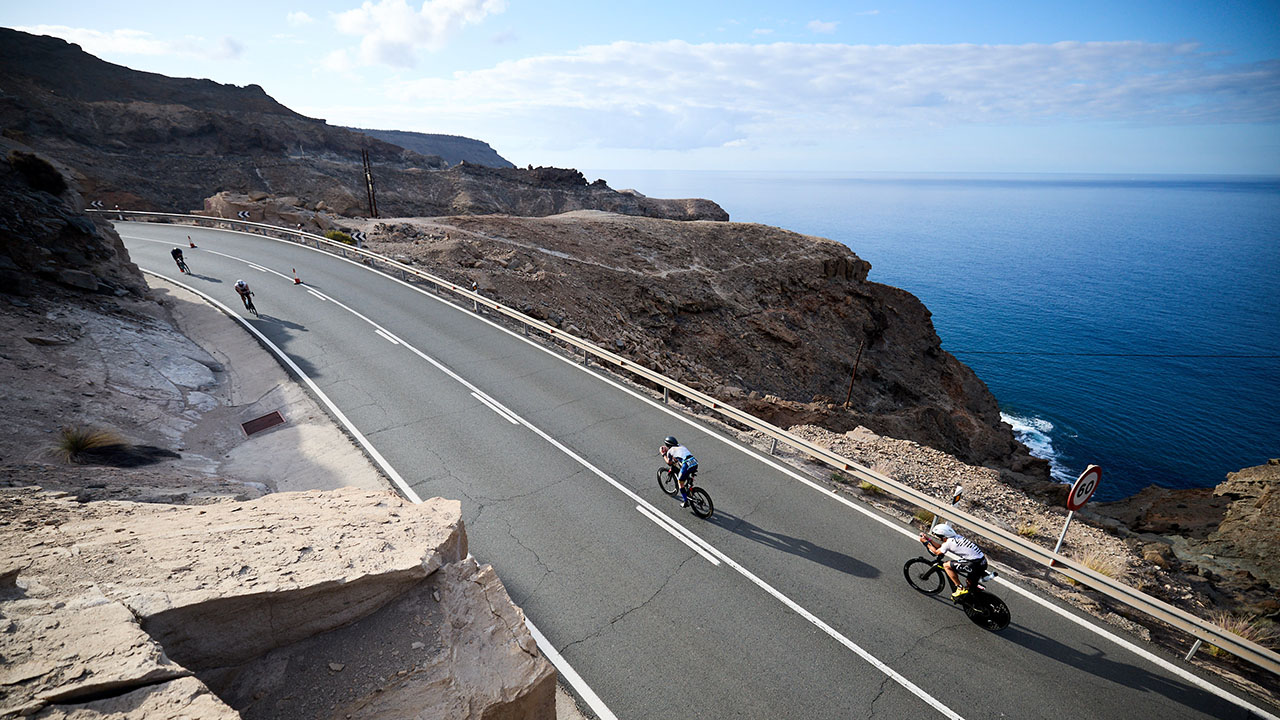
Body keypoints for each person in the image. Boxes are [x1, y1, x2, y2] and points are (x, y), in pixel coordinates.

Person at [920, 523, 987, 600]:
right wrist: (928, 539)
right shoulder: (957, 537)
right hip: (982, 562)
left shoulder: (948, 543)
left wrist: (925, 542)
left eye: (939, 537)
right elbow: (941, 547)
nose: (939, 538)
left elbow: (936, 552)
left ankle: (960, 588)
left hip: (974, 564)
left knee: (946, 565)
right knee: (969, 585)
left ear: (943, 536)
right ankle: (974, 592)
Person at [660, 436, 698, 507]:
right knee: (685, 473)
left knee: (680, 482)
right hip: (694, 462)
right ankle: (690, 486)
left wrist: (663, 454)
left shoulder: (670, 451)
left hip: (687, 464)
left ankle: (686, 501)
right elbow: (679, 457)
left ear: (667, 445)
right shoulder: (681, 446)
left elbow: (669, 462)